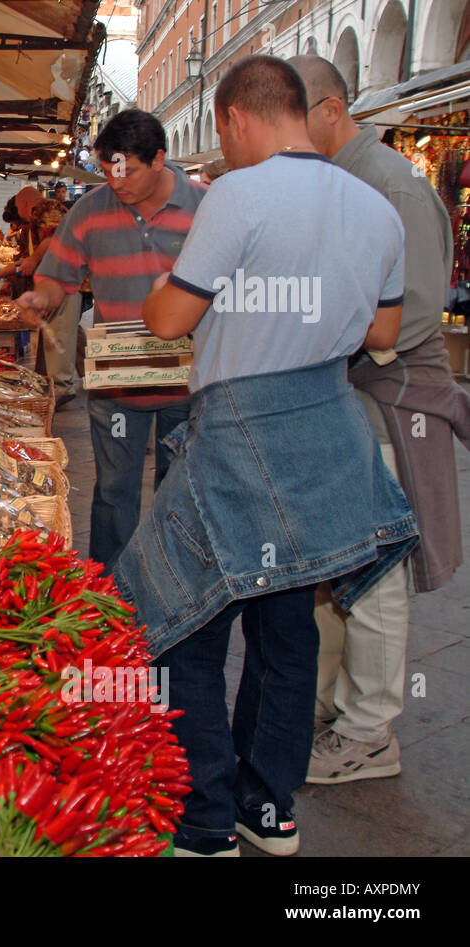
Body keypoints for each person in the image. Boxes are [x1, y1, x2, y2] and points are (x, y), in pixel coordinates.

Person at [116, 55, 418, 857]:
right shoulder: (376, 206)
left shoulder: (237, 195)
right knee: (288, 625)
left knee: (184, 619)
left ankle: (203, 815)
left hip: (242, 435)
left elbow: (172, 320)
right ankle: (270, 805)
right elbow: (382, 335)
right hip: (325, 427)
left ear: (233, 120)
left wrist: (157, 296)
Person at [290, 54, 470, 784]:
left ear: (331, 109)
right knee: (342, 565)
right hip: (349, 397)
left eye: (289, 117)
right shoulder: (341, 179)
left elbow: (419, 307)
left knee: (376, 567)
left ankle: (370, 732)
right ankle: (339, 708)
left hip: (389, 401)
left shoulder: (392, 182)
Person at [18, 109, 204, 568]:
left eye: (128, 171)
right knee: (114, 491)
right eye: (107, 171)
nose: (116, 182)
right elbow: (57, 275)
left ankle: (171, 587)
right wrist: (41, 298)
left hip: (191, 374)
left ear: (159, 159)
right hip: (118, 371)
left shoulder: (206, 207)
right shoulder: (90, 210)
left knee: (180, 490)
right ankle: (111, 593)